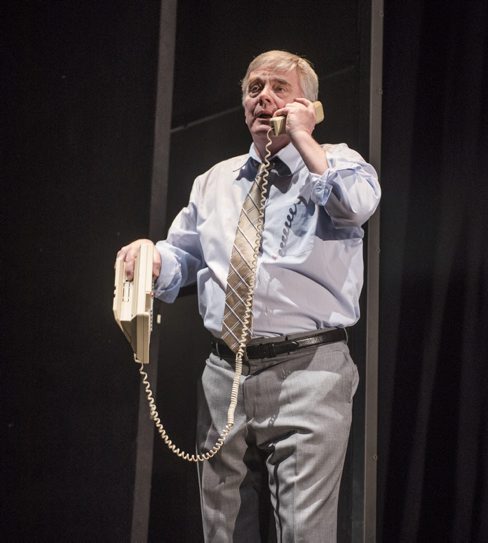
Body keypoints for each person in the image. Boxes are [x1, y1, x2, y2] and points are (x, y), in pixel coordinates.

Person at [117, 50, 381, 542]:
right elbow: (186, 257)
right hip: (224, 373)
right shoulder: (214, 181)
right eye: (253, 87)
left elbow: (356, 206)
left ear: (309, 103)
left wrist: (302, 137)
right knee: (222, 531)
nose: (263, 97)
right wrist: (155, 260)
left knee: (304, 533)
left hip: (309, 369)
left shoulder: (340, 163)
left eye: (279, 87)